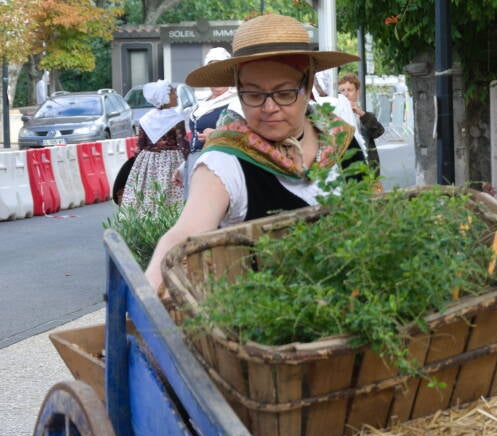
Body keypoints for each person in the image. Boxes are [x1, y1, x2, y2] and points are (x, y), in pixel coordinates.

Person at [144, 13, 364, 290]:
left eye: (284, 93)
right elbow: (185, 232)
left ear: (308, 86)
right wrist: (148, 292)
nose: (269, 108)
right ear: (239, 90)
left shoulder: (341, 139)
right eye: (254, 94)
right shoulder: (225, 159)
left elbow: (370, 216)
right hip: (262, 313)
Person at [120, 80, 188, 214]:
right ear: (165, 98)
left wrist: (138, 169)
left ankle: (149, 218)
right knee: (170, 194)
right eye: (173, 93)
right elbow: (183, 146)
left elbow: (139, 147)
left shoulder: (146, 119)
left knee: (149, 192)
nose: (176, 96)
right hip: (171, 162)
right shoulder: (176, 119)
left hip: (148, 162)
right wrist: (189, 163)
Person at [181, 47, 239, 198]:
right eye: (213, 72)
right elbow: (194, 138)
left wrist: (217, 135)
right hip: (194, 162)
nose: (217, 77)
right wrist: (183, 167)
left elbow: (248, 135)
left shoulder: (236, 101)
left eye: (221, 72)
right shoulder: (202, 102)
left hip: (219, 164)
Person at [338, 72, 385, 171]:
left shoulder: (364, 115)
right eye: (342, 90)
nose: (345, 94)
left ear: (357, 93)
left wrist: (361, 114)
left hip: (366, 165)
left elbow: (379, 131)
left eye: (349, 90)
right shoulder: (335, 114)